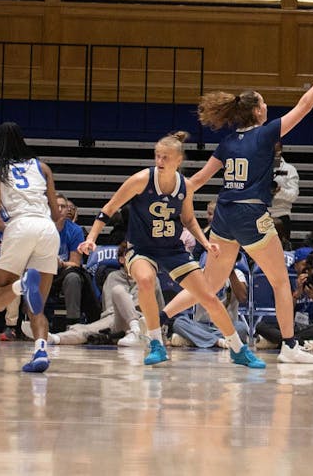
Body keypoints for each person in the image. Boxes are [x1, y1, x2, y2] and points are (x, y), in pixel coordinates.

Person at [158, 46, 313, 365]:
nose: (268, 107)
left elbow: (196, 181)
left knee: (209, 285)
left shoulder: (227, 143)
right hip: (251, 214)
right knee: (281, 280)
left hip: (224, 215)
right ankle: (289, 346)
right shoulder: (267, 133)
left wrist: (165, 190)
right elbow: (306, 104)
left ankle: (155, 319)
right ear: (256, 112)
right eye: (265, 103)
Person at [79, 131, 264, 368]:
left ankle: (238, 349)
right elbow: (109, 208)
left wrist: (205, 242)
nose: (159, 161)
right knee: (145, 280)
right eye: (157, 156)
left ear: (179, 160)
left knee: (208, 296)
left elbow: (188, 220)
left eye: (165, 157)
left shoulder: (184, 186)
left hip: (172, 249)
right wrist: (92, 237)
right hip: (142, 248)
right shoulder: (140, 180)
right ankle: (156, 342)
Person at [0, 122, 62, 373]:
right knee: (37, 306)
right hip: (46, 228)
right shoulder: (42, 167)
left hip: (20, 225)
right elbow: (57, 214)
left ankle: (21, 284)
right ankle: (40, 350)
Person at [255, 247, 313, 351]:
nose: (308, 268)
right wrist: (296, 295)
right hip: (289, 327)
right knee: (261, 326)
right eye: (305, 264)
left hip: (310, 327)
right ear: (296, 265)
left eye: (312, 264)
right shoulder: (286, 285)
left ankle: (283, 342)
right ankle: (303, 343)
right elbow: (282, 314)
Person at [52, 193, 100, 328]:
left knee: (73, 277)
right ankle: (33, 320)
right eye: (57, 206)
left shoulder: (75, 230)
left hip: (63, 269)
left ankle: (73, 323)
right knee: (31, 275)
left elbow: (75, 263)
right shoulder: (40, 226)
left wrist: (61, 263)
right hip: (42, 268)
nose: (61, 209)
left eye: (64, 206)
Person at [269, 141, 300, 247]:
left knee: (283, 250)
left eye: (275, 150)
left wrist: (279, 191)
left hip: (281, 215)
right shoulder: (258, 168)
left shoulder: (290, 169)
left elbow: (294, 195)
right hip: (262, 214)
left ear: (280, 150)